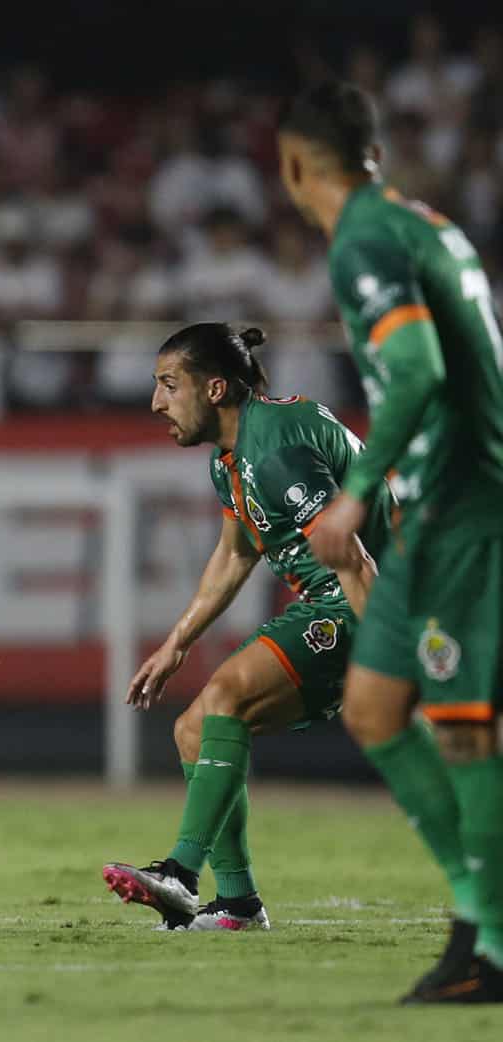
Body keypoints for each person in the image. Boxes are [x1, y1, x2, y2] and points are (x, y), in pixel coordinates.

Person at [280, 80, 503, 1004]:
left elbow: (414, 369)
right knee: (374, 709)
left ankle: (490, 945)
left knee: (464, 730)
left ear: (296, 165)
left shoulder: (366, 239)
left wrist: (358, 494)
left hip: (459, 509)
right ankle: (475, 917)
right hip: (441, 506)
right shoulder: (420, 223)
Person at [102, 323, 388, 931]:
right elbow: (236, 554)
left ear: (214, 389)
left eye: (168, 385)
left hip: (366, 601)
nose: (156, 403)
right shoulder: (233, 456)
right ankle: (237, 903)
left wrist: (394, 665)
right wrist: (176, 642)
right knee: (192, 730)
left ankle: (180, 873)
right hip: (336, 597)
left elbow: (355, 559)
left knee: (228, 692)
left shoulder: (277, 447)